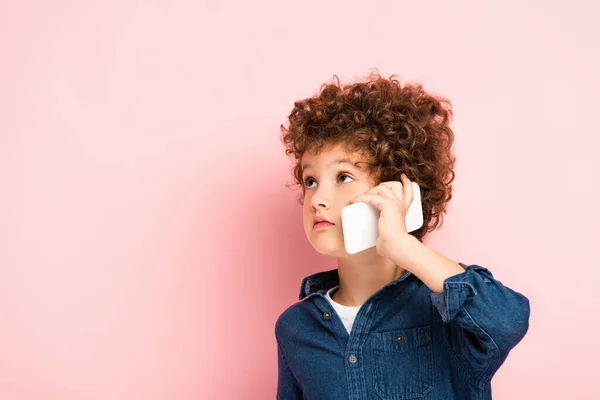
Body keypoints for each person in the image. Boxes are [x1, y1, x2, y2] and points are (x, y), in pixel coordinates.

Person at [274, 70, 530, 399]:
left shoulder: (446, 311)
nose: (317, 199)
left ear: (397, 190)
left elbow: (508, 320)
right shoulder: (295, 328)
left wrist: (403, 246)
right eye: (310, 181)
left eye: (343, 177)